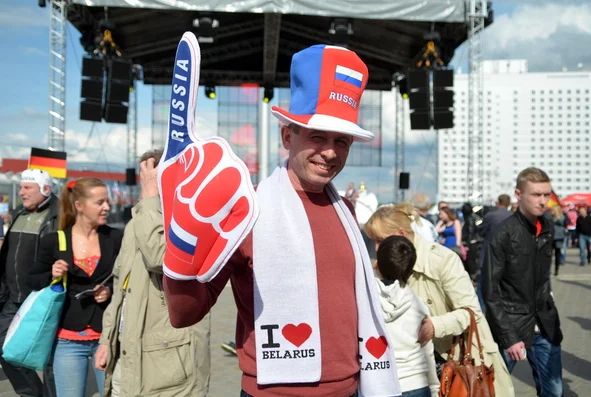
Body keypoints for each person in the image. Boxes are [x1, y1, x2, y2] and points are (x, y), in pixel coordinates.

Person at [163, 45, 401, 396]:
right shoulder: (248, 212)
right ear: (288, 136)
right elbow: (184, 315)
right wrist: (180, 249)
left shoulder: (347, 213)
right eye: (317, 136)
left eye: (342, 141)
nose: (331, 151)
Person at [364, 205, 514, 397]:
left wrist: (434, 326)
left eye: (379, 241)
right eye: (373, 242)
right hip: (412, 368)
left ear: (401, 235)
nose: (376, 249)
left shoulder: (442, 260)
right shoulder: (381, 266)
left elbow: (471, 312)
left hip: (456, 360)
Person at [94, 151, 211, 397]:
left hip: (168, 370)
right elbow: (121, 289)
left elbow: (160, 258)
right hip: (127, 358)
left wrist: (149, 198)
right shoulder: (138, 222)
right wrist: (107, 339)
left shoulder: (196, 217)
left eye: (150, 178)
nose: (144, 185)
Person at [27, 178, 123, 397]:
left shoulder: (115, 237)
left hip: (107, 339)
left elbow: (127, 281)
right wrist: (51, 274)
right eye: (100, 203)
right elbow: (32, 280)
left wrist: (109, 289)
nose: (107, 207)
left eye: (107, 202)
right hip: (67, 341)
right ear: (79, 205)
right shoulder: (55, 240)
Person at [483, 167, 563, 397]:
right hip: (511, 326)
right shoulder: (503, 233)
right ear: (519, 194)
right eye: (536, 195)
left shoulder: (547, 228)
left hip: (545, 324)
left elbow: (542, 279)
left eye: (546, 195)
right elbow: (490, 291)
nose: (543, 201)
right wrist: (509, 338)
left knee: (554, 391)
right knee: (496, 390)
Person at [0, 169, 58, 397]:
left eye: (27, 188)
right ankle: (33, 394)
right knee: (5, 350)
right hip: (13, 299)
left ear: (45, 189)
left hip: (44, 300)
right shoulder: (19, 213)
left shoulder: (58, 215)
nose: (21, 192)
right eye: (21, 187)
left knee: (51, 361)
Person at [374, 236, 439, 397]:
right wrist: (435, 388)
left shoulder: (366, 301)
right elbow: (427, 352)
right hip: (417, 383)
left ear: (377, 263)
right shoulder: (418, 305)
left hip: (378, 384)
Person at [461, 202, 483, 280]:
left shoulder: (469, 219)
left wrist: (467, 245)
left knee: (471, 262)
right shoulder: (475, 217)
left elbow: (471, 232)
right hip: (476, 242)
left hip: (472, 243)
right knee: (474, 261)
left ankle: (473, 277)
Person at [550, 206, 567, 276]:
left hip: (559, 238)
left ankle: (556, 270)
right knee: (549, 254)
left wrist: (556, 220)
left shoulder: (562, 218)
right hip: (551, 237)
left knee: (557, 254)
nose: (551, 212)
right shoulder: (551, 218)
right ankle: (548, 269)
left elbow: (564, 225)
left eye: (553, 211)